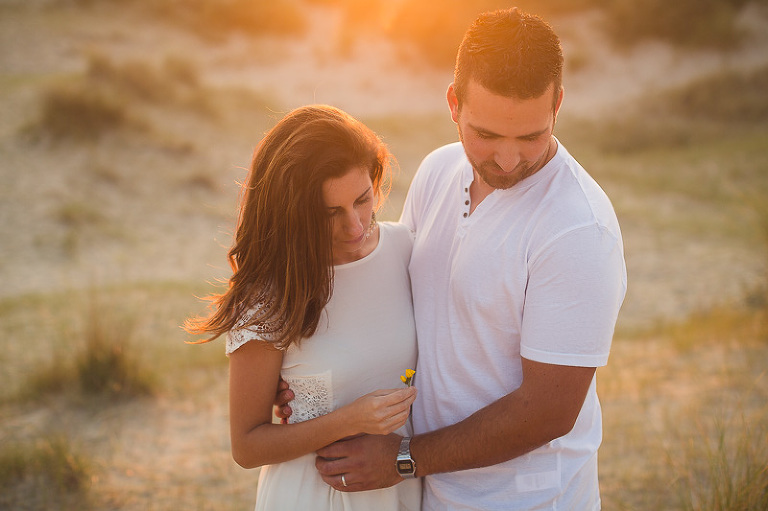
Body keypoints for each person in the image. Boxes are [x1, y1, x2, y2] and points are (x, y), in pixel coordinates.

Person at [276, 7, 627, 510]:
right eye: (486, 134)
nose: (508, 160)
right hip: (427, 491)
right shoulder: (439, 171)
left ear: (558, 105)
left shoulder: (577, 229)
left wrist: (402, 458)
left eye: (530, 136)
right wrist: (310, 386)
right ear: (453, 103)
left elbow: (548, 410)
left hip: (526, 499)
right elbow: (394, 305)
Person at [185, 104, 422, 511]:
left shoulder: (404, 248)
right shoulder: (270, 295)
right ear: (293, 214)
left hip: (399, 490)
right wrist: (349, 420)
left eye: (362, 200)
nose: (355, 226)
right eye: (328, 214)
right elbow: (247, 445)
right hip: (315, 496)